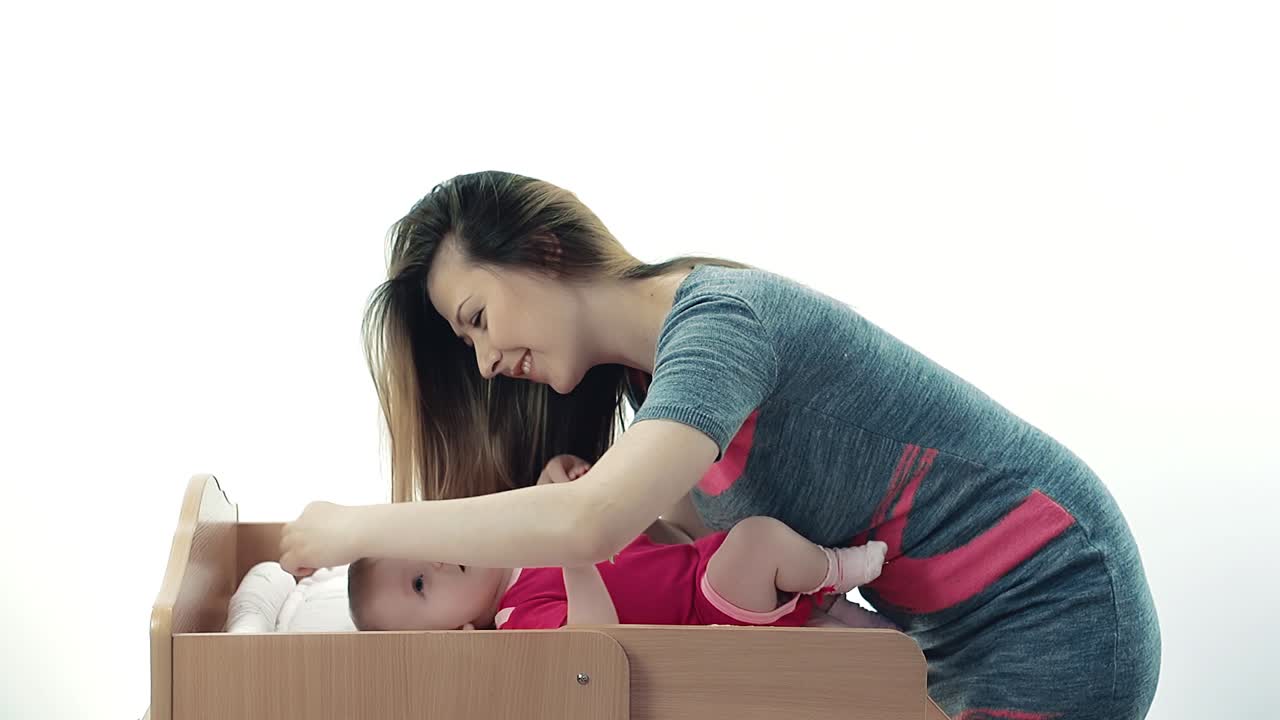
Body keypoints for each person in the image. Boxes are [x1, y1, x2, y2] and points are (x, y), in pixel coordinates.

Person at [280, 170, 1160, 719]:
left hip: (1054, 604)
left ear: (543, 251)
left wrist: (361, 528)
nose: (483, 361)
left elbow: (586, 524)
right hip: (945, 644)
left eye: (477, 318)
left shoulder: (717, 327)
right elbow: (667, 568)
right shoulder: (653, 388)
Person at [346, 458, 889, 631]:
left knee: (751, 530)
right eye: (421, 582)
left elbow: (629, 538)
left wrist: (574, 487)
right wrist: (571, 549)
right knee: (759, 539)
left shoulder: (521, 543)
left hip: (702, 563)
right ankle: (836, 570)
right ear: (455, 636)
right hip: (706, 613)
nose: (439, 560)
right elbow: (594, 642)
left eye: (427, 542)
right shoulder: (516, 618)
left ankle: (831, 604)